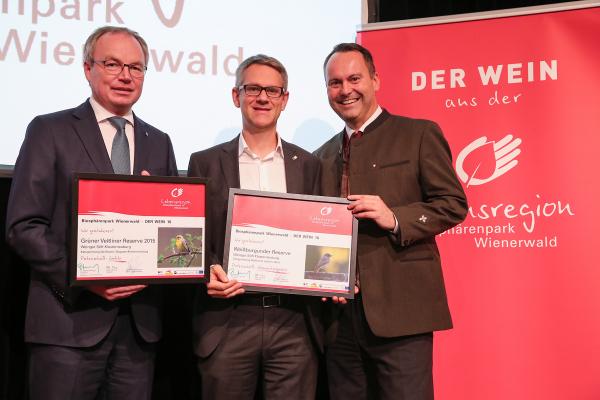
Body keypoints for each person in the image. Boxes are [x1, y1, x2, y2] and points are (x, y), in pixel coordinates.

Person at [5, 26, 178, 400]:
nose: (125, 76)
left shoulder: (159, 142)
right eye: (112, 64)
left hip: (138, 331)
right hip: (67, 325)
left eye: (136, 67)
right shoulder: (49, 130)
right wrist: (82, 277)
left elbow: (173, 233)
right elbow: (23, 225)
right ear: (88, 68)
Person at [314, 43, 468, 400]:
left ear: (376, 80)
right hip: (340, 321)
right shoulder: (320, 155)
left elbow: (453, 204)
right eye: (335, 83)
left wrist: (395, 217)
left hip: (402, 313)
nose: (345, 90)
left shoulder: (418, 134)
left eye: (354, 78)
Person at [187, 54, 323, 399]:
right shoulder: (203, 162)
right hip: (227, 320)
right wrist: (207, 274)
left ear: (285, 99)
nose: (263, 98)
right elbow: (191, 240)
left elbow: (322, 236)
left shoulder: (309, 164)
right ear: (236, 96)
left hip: (293, 322)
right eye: (253, 88)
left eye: (273, 90)